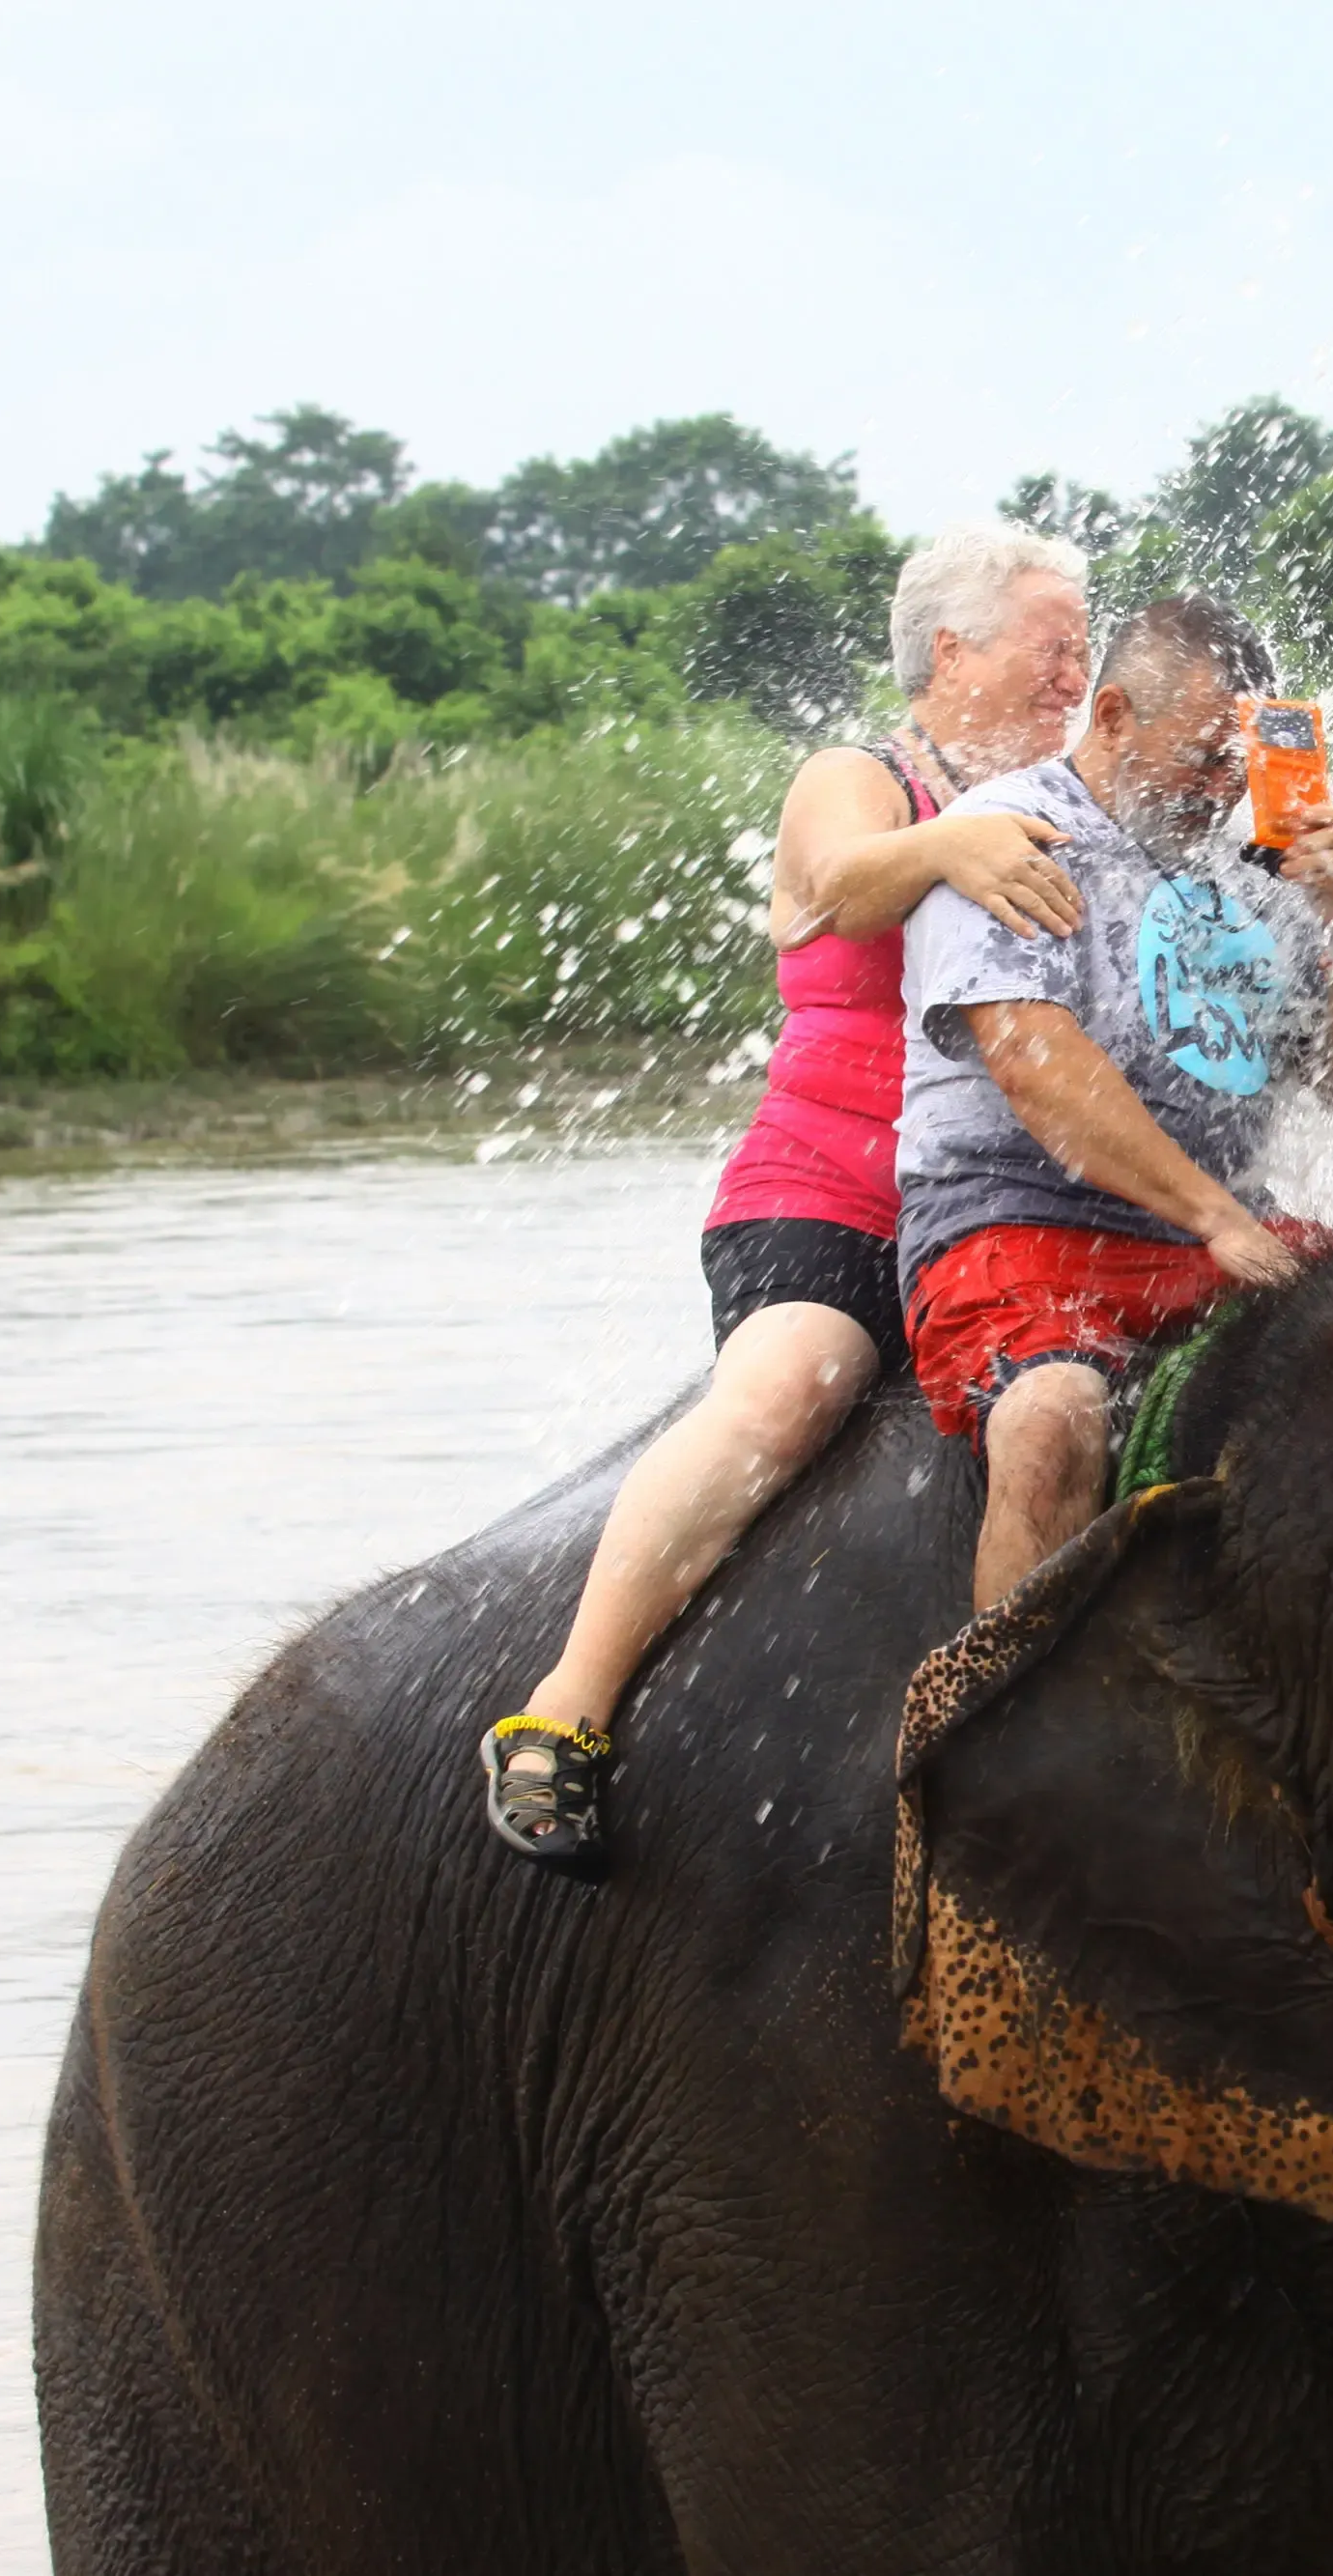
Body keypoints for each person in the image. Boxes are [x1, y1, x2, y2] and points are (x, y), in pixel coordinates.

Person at [480, 522, 1094, 1868]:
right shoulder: (860, 775)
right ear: (955, 649)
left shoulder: (1073, 790)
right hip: (833, 1193)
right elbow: (826, 894)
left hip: (1013, 1207)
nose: (1078, 674)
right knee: (793, 1382)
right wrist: (958, 843)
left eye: (1087, 650)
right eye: (1057, 647)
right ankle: (566, 1708)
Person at [897, 592, 1333, 1605]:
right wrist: (1215, 1217)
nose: (1222, 790)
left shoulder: (1270, 857)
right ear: (1116, 714)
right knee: (1054, 1422)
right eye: (1203, 758)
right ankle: (1007, 1745)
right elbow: (1037, 1068)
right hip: (1018, 1224)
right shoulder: (1008, 833)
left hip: (1214, 1230)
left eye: (1240, 764)